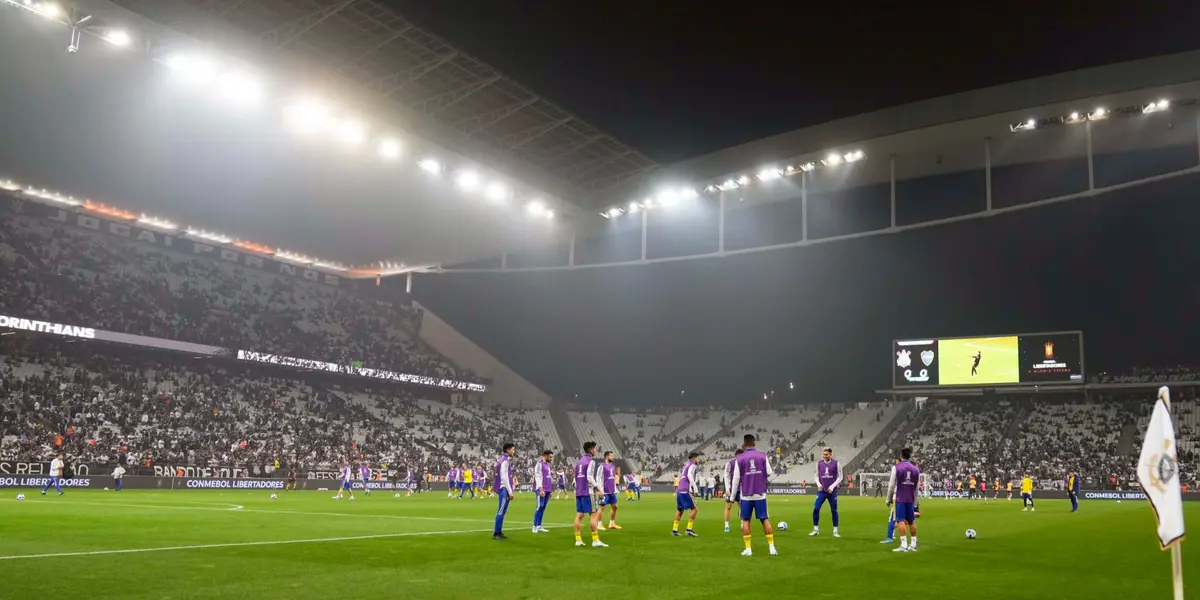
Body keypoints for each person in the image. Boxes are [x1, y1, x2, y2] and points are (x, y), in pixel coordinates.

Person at [728, 435, 777, 556]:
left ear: (744, 444)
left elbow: (735, 479)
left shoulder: (740, 458)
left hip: (746, 495)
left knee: (745, 520)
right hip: (760, 494)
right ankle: (772, 548)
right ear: (754, 443)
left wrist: (732, 497)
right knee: (764, 519)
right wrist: (759, 476)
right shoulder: (762, 455)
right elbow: (770, 472)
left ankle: (748, 549)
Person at [886, 447, 921, 552]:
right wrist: (915, 502)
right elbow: (916, 487)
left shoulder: (896, 467)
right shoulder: (916, 469)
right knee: (911, 521)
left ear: (901, 457)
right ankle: (913, 545)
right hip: (910, 498)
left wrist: (888, 499)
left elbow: (891, 485)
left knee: (900, 520)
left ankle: (904, 545)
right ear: (909, 457)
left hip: (900, 497)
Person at [573, 442, 606, 547]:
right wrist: (599, 488)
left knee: (579, 515)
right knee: (593, 515)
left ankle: (578, 540)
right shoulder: (591, 462)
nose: (595, 451)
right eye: (595, 449)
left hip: (579, 491)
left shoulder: (578, 463)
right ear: (591, 450)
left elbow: (576, 479)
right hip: (588, 492)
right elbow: (589, 477)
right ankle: (595, 540)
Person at [810, 447, 840, 538]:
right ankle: (815, 529)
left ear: (830, 454)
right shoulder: (819, 463)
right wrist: (819, 484)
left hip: (832, 491)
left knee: (834, 510)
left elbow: (840, 477)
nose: (824, 456)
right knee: (816, 509)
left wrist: (832, 486)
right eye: (823, 454)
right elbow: (816, 476)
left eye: (826, 454)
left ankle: (835, 531)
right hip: (822, 491)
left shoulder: (836, 463)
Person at [672, 452, 700, 537]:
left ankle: (674, 530)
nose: (698, 460)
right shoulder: (692, 465)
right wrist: (694, 487)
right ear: (694, 458)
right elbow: (689, 475)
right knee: (694, 509)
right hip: (685, 490)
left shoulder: (686, 466)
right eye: (698, 458)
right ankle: (689, 529)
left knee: (680, 510)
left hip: (680, 490)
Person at [493, 443, 515, 540]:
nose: (514, 451)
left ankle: (499, 531)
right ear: (508, 450)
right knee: (501, 511)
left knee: (502, 511)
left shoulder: (503, 460)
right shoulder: (505, 462)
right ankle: (496, 533)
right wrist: (510, 491)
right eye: (513, 449)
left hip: (504, 488)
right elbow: (504, 478)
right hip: (504, 489)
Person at [597, 451, 622, 531]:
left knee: (615, 507)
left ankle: (612, 524)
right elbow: (598, 478)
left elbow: (612, 479)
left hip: (612, 491)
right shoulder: (602, 466)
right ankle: (599, 524)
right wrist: (600, 490)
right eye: (611, 456)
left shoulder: (613, 466)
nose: (613, 457)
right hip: (604, 491)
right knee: (601, 508)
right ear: (607, 456)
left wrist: (615, 489)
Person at [532, 450, 553, 533]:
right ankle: (534, 526)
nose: (551, 458)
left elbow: (549, 477)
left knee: (543, 507)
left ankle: (539, 525)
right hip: (541, 489)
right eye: (550, 457)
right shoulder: (539, 464)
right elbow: (537, 477)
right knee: (539, 507)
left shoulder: (548, 465)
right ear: (545, 455)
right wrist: (540, 489)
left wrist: (550, 490)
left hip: (547, 489)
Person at [724, 449, 745, 532]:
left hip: (741, 489)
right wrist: (727, 488)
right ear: (736, 455)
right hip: (731, 489)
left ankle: (742, 524)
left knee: (742, 507)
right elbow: (726, 476)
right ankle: (726, 525)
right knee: (728, 507)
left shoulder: (744, 464)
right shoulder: (730, 463)